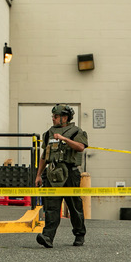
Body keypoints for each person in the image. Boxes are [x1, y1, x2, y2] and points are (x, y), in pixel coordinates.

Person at [34, 104, 88, 248]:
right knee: (51, 206)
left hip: (70, 173)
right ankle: (47, 237)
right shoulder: (48, 133)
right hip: (53, 173)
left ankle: (79, 234)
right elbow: (44, 156)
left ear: (65, 118)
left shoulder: (76, 131)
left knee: (74, 206)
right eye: (53, 116)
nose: (53, 119)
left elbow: (81, 147)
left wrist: (64, 139)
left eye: (56, 116)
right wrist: (38, 175)